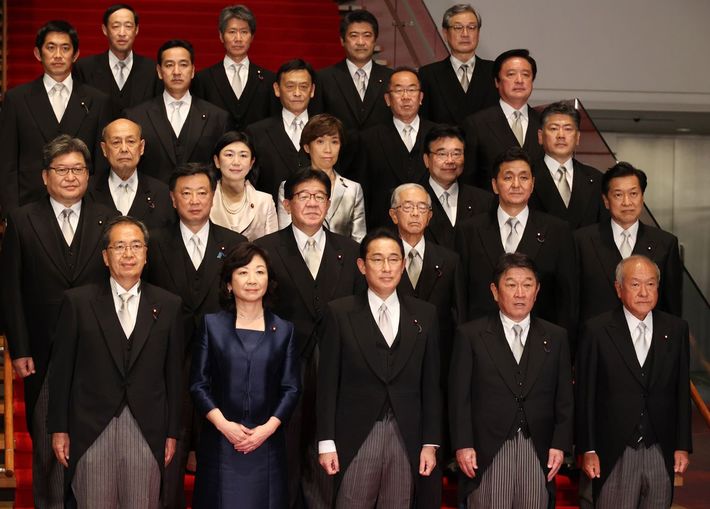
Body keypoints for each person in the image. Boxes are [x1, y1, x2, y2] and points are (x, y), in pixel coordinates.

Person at [0, 135, 118, 509]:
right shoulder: (22, 220)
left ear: (88, 174)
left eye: (78, 169)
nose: (70, 177)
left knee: (93, 447)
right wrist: (19, 347)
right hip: (42, 353)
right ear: (45, 176)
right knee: (48, 450)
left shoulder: (108, 218)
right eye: (62, 170)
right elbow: (10, 289)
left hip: (97, 353)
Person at [48, 216, 183, 509]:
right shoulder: (78, 302)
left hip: (147, 428)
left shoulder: (168, 305)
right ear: (105, 257)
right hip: (91, 427)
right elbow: (61, 372)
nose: (128, 254)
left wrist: (173, 432)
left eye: (136, 246)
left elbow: (174, 376)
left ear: (146, 254)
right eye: (119, 246)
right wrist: (59, 428)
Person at [255, 168, 364, 509]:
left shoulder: (351, 251)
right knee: (283, 455)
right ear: (287, 204)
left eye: (320, 197)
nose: (313, 203)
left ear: (329, 204)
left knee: (326, 455)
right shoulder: (265, 250)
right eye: (304, 196)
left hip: (337, 369)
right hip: (283, 368)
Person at [143, 163, 246, 508]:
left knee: (216, 452)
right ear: (172, 199)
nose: (195, 200)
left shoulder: (234, 244)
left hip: (221, 363)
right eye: (185, 193)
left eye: (202, 192)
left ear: (213, 196)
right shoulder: (153, 242)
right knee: (170, 450)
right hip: (167, 360)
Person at [317, 228, 441, 508]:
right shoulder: (339, 313)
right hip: (356, 434)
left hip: (406, 434)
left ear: (403, 264)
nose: (386, 267)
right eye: (377, 259)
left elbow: (431, 384)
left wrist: (430, 443)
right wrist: (326, 442)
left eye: (393, 259)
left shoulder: (425, 314)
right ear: (362, 266)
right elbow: (327, 384)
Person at [449, 252, 573, 508]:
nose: (520, 293)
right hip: (486, 450)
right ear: (495, 291)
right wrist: (463, 444)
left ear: (537, 291)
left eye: (527, 285)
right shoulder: (470, 335)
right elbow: (459, 397)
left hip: (538, 448)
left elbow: (564, 397)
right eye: (511, 285)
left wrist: (560, 444)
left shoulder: (556, 337)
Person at [190, 242, 300, 508]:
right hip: (221, 439)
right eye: (243, 272)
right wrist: (224, 425)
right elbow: (198, 384)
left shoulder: (284, 330)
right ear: (229, 283)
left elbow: (291, 388)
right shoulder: (212, 325)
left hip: (267, 442)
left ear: (269, 281)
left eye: (260, 272)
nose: (252, 280)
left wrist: (266, 429)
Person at [575, 255, 691, 508]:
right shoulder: (596, 330)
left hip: (660, 446)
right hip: (614, 449)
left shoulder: (676, 329)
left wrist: (682, 445)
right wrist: (588, 449)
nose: (644, 292)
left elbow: (682, 391)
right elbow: (585, 395)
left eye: (651, 284)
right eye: (635, 284)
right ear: (619, 288)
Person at [389, 183, 466, 507]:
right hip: (390, 369)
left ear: (431, 215)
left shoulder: (449, 259)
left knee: (429, 458)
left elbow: (459, 317)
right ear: (393, 214)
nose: (415, 213)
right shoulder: (381, 257)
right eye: (407, 207)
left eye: (422, 207)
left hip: (435, 369)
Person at [455, 147, 577, 336]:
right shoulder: (469, 230)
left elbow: (567, 297)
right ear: (495, 185)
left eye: (524, 177)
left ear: (532, 184)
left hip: (540, 339)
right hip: (481, 338)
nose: (516, 184)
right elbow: (460, 295)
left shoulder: (557, 231)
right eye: (508, 177)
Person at [0, 20, 112, 212]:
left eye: (65, 48)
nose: (58, 55)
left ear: (75, 55)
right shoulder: (16, 99)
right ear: (38, 53)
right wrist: (11, 213)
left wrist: (96, 209)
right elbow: (6, 162)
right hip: (29, 207)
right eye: (51, 48)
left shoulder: (97, 101)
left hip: (83, 208)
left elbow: (101, 166)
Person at [575, 162, 682, 322]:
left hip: (648, 335)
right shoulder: (582, 241)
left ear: (642, 198)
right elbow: (572, 302)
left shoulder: (665, 243)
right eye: (618, 195)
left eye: (633, 194)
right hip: (596, 335)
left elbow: (672, 308)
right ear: (606, 200)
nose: (627, 202)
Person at [124, 39, 230, 184]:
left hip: (199, 196)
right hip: (151, 196)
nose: (176, 72)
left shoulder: (217, 117)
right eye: (169, 65)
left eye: (183, 65)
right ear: (159, 71)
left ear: (193, 71)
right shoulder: (136, 116)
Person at [357, 67, 437, 229]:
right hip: (384, 229)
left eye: (412, 90)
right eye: (399, 90)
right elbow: (364, 191)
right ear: (387, 99)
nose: (406, 97)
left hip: (432, 228)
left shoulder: (439, 135)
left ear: (421, 97)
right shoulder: (368, 139)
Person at [277, 114, 366, 242]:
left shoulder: (353, 189)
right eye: (320, 141)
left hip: (343, 254)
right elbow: (285, 236)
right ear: (307, 147)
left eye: (334, 142)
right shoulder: (289, 186)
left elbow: (359, 239)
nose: (328, 149)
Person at [462, 49, 544, 189]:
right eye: (511, 74)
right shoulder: (476, 124)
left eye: (526, 75)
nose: (519, 80)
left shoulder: (545, 123)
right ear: (497, 81)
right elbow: (468, 179)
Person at [192, 4, 278, 130]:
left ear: (252, 37)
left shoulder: (269, 79)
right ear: (221, 36)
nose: (238, 39)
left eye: (244, 32)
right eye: (232, 32)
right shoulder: (203, 79)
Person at [529, 101, 607, 229]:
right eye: (554, 129)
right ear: (540, 136)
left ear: (578, 137)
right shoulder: (526, 176)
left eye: (568, 129)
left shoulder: (597, 179)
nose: (561, 135)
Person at [74, 4, 161, 114]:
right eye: (116, 26)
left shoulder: (153, 70)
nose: (122, 33)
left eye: (128, 26)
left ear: (136, 30)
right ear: (105, 30)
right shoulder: (84, 68)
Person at [314, 10, 393, 133]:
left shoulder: (391, 78)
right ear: (342, 40)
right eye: (354, 36)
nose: (361, 42)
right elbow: (316, 125)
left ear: (375, 40)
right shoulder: (323, 78)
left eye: (367, 35)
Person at [419, 4, 497, 126]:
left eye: (471, 27)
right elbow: (423, 123)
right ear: (445, 34)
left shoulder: (495, 71)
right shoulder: (428, 74)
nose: (465, 34)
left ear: (478, 33)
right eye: (458, 27)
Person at [90, 118, 175, 229]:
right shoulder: (87, 190)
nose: (124, 149)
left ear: (141, 147)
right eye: (116, 142)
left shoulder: (162, 193)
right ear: (104, 149)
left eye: (130, 142)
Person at [422, 125, 495, 251]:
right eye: (442, 154)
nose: (450, 160)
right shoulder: (411, 199)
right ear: (426, 160)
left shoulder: (485, 201)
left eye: (457, 153)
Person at [210, 131, 278, 241]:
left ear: (251, 163)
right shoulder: (205, 199)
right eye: (229, 155)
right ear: (217, 161)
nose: (236, 162)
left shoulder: (265, 201)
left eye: (243, 155)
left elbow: (272, 245)